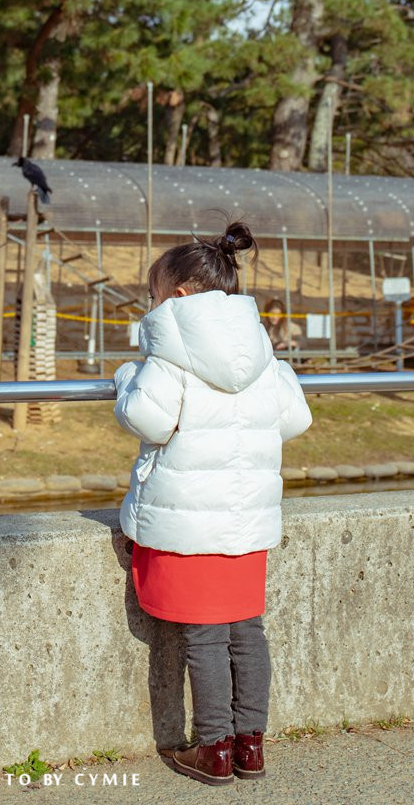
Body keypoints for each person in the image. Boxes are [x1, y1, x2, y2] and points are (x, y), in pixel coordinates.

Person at [114, 220, 312, 786]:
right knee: (246, 631)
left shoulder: (171, 353)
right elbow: (295, 419)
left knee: (202, 637)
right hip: (247, 522)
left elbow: (149, 420)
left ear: (177, 296)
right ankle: (251, 748)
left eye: (152, 296)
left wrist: (128, 376)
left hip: (187, 522)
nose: (150, 307)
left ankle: (213, 750)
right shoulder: (261, 352)